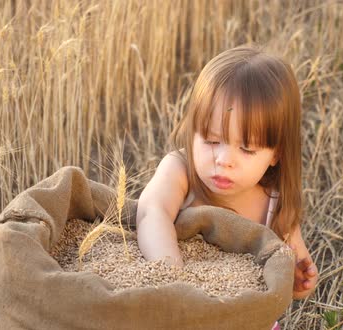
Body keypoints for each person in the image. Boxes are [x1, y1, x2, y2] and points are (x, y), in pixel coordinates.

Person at [136, 45, 318, 306]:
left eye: (246, 149)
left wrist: (298, 284)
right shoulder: (180, 171)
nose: (223, 161)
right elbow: (151, 213)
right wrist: (173, 279)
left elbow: (291, 274)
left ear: (276, 154)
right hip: (174, 306)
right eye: (211, 140)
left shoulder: (274, 205)